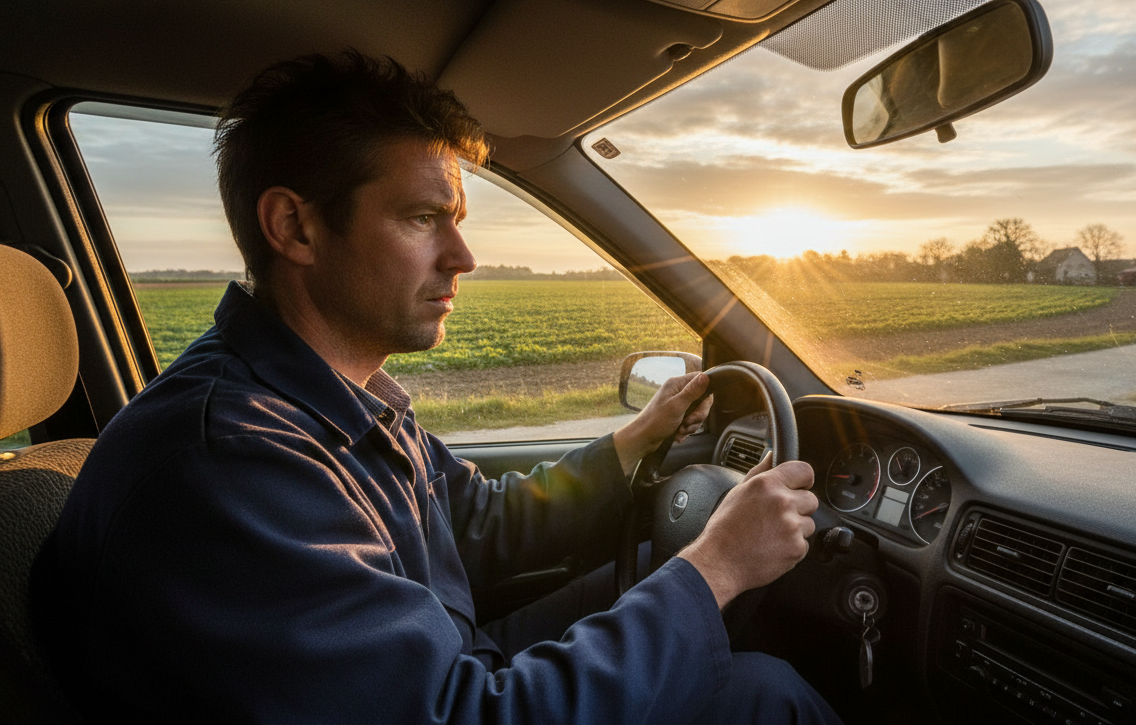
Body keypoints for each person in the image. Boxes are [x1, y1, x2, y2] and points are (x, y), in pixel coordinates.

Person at [32, 52, 839, 724]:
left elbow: (471, 528)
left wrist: (637, 441)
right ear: (295, 227)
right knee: (762, 695)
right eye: (424, 218)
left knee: (640, 583)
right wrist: (717, 568)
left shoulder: (331, 398)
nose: (464, 255)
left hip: (440, 668)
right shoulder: (230, 463)